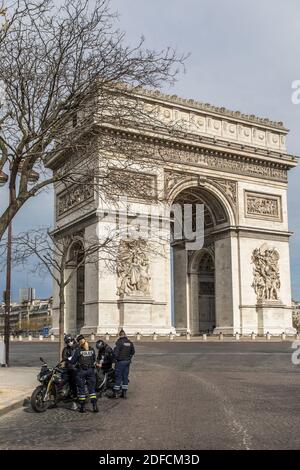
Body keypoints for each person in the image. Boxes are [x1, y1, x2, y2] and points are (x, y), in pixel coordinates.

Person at [68, 334, 98, 413]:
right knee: (92, 389)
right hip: (90, 371)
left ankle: (82, 407)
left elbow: (73, 361)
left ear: (79, 342)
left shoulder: (79, 350)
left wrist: (69, 360)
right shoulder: (91, 349)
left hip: (81, 371)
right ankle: (95, 406)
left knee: (81, 390)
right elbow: (94, 359)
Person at [113, 329, 135, 399]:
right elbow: (133, 352)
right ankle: (124, 393)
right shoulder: (130, 342)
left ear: (120, 335)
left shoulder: (119, 342)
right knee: (125, 377)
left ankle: (116, 393)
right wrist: (129, 358)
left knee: (118, 377)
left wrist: (114, 359)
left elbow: (116, 353)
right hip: (127, 362)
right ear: (125, 335)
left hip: (120, 362)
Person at [62, 334, 78, 411]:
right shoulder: (65, 349)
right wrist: (69, 359)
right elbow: (64, 358)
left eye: (71, 340)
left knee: (73, 384)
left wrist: (71, 359)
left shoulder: (77, 348)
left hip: (75, 369)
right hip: (67, 368)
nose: (69, 342)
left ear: (73, 340)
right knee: (61, 381)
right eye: (68, 341)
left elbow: (79, 357)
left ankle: (75, 401)